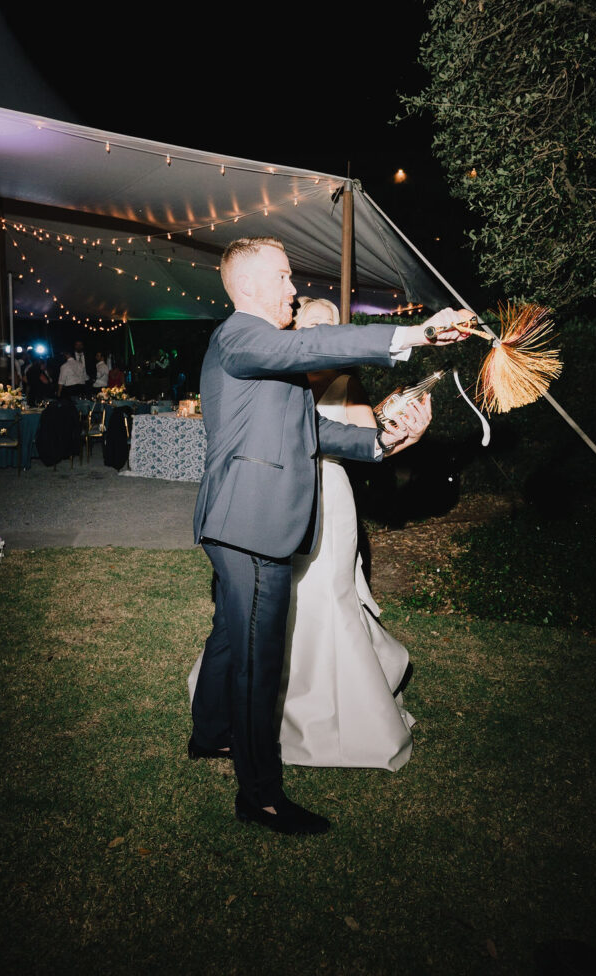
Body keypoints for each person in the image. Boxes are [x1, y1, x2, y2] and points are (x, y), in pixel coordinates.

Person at [189, 236, 471, 836]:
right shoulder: (241, 334)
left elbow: (312, 430)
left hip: (242, 520)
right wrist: (415, 334)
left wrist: (386, 442)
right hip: (251, 523)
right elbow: (317, 342)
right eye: (285, 277)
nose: (295, 289)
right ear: (248, 287)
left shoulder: (267, 356)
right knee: (259, 662)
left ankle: (209, 734)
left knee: (230, 638)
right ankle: (260, 797)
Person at [277, 297, 426, 770]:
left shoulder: (347, 382)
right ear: (297, 325)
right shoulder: (279, 371)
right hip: (283, 498)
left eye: (330, 323)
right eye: (312, 321)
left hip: (331, 497)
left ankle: (352, 712)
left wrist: (410, 437)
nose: (320, 329)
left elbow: (371, 444)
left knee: (330, 594)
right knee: (286, 598)